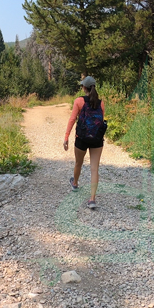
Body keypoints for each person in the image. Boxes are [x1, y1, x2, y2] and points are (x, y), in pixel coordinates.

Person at [63, 75, 105, 209]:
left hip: (81, 138)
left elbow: (72, 119)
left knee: (78, 163)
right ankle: (92, 199)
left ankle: (75, 183)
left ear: (84, 87)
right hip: (97, 140)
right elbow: (100, 121)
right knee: (94, 169)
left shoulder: (79, 101)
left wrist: (66, 137)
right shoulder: (101, 103)